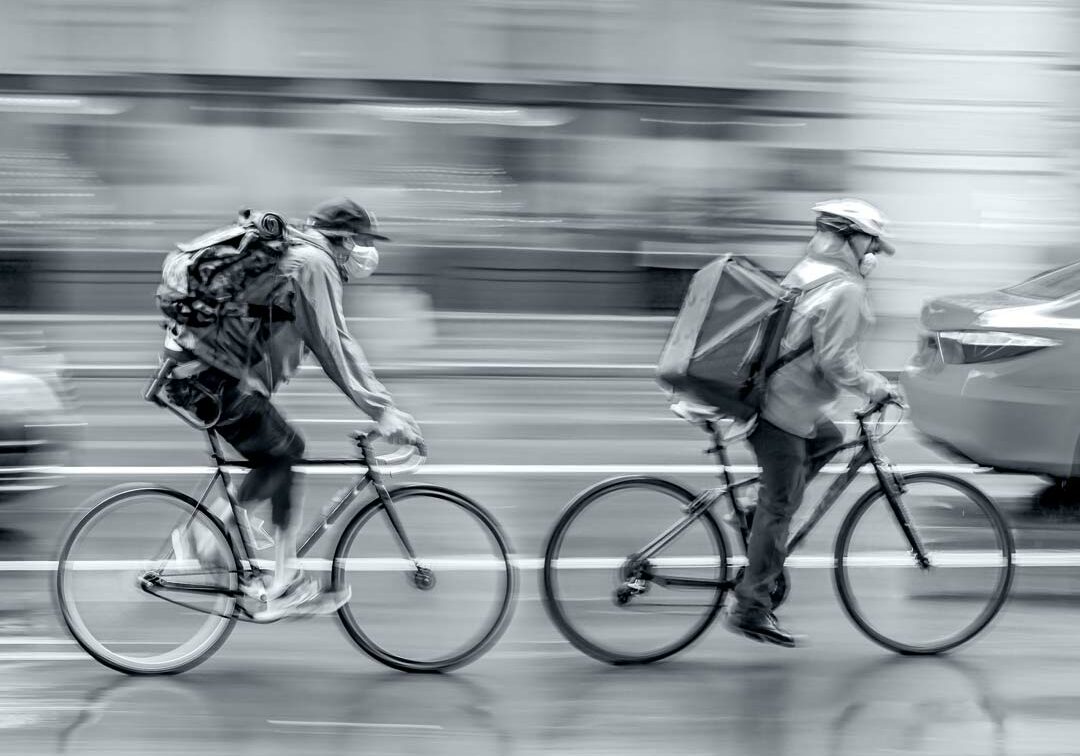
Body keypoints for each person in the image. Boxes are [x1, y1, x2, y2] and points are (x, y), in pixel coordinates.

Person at [161, 198, 423, 620]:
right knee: (286, 451)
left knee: (278, 454)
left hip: (205, 375)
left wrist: (382, 406)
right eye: (360, 240)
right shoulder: (314, 263)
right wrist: (382, 411)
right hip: (215, 381)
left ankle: (220, 546)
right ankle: (265, 572)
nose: (367, 252)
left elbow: (329, 339)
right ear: (340, 239)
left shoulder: (303, 256)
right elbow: (333, 344)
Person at [721, 198, 898, 647]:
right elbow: (837, 360)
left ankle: (752, 515)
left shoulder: (809, 270)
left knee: (829, 437)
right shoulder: (845, 289)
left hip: (774, 400)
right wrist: (875, 386)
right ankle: (751, 607)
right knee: (780, 506)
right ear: (851, 238)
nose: (874, 250)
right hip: (782, 412)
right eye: (871, 240)